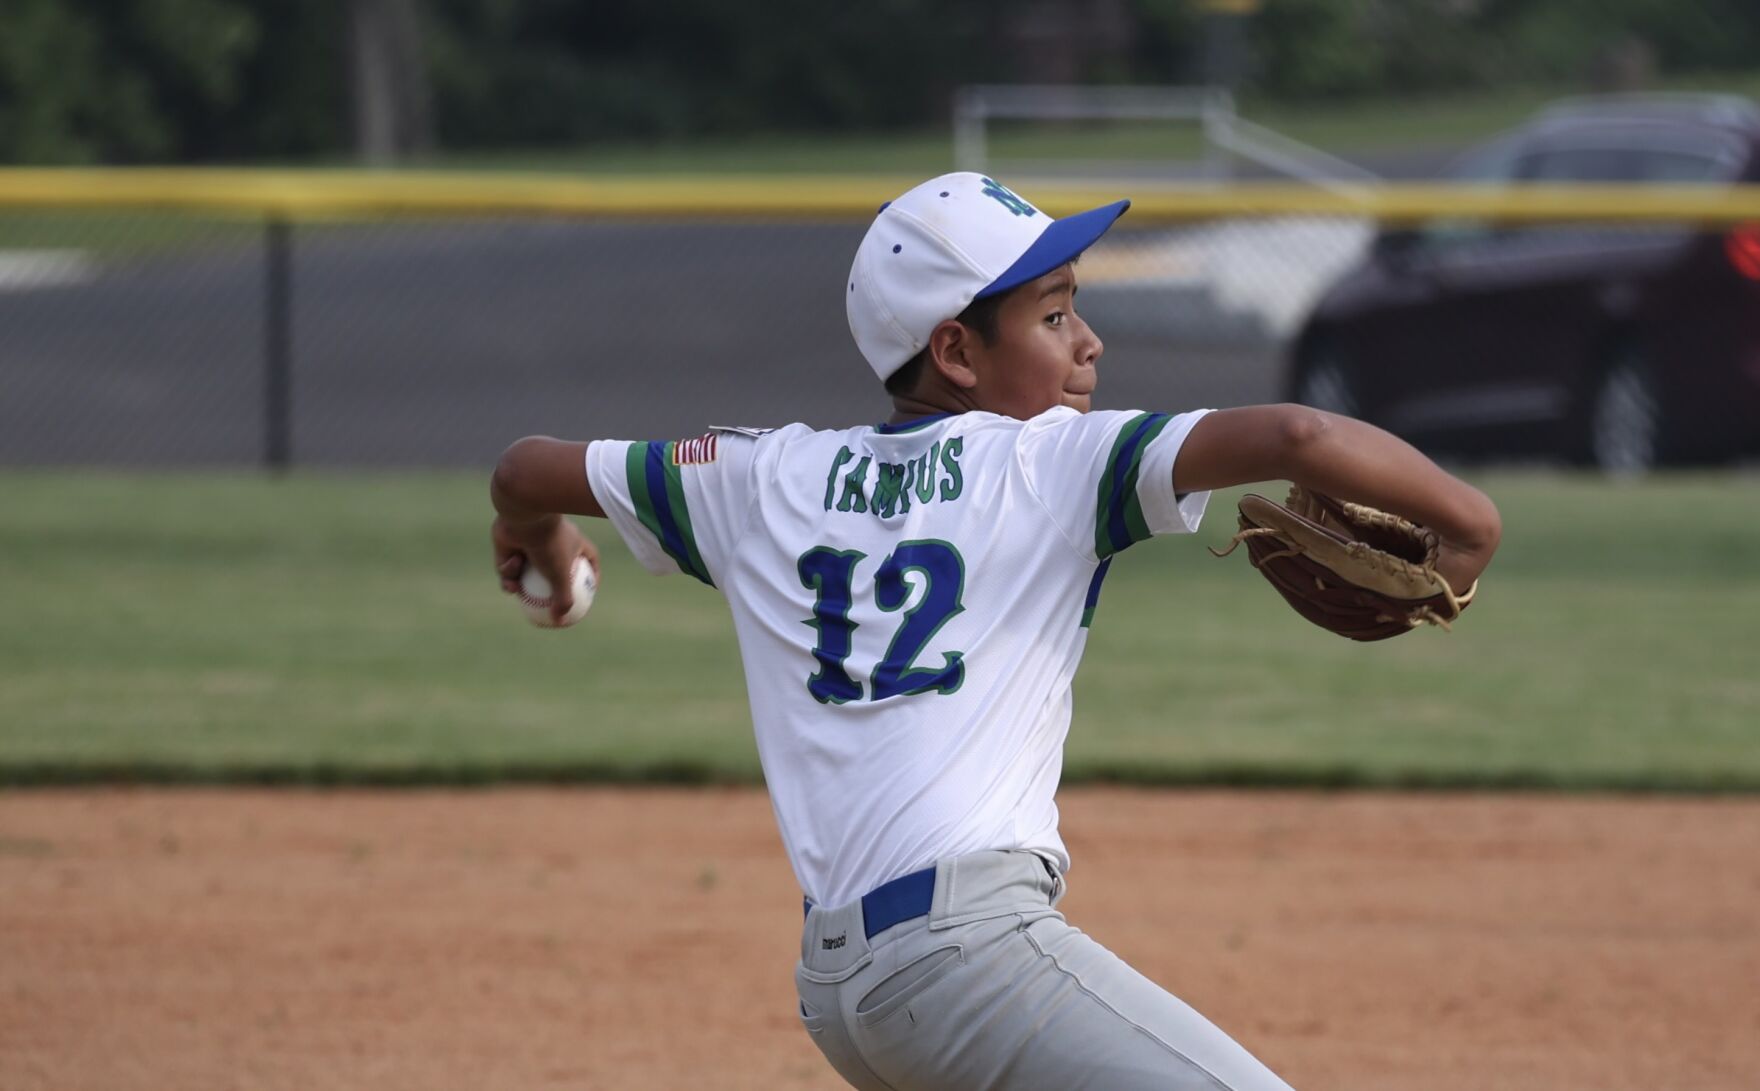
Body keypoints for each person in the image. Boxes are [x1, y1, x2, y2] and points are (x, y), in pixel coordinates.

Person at [488, 172, 1502, 1090]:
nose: (1088, 340)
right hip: (972, 961)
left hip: (843, 993)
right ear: (956, 352)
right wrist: (1470, 525)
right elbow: (1299, 435)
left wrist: (536, 536)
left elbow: (526, 464)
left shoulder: (757, 476)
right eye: (1054, 314)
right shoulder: (1052, 463)